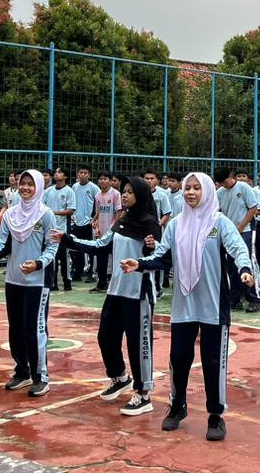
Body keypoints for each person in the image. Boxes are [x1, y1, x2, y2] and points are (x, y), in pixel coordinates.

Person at [122, 172, 255, 441]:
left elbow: (239, 249)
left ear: (207, 191)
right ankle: (177, 405)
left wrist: (244, 269)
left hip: (213, 306)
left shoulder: (219, 222)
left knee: (213, 361)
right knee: (179, 358)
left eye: (196, 188)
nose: (191, 193)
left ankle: (216, 415)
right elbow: (164, 256)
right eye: (187, 188)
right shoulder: (176, 225)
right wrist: (141, 263)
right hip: (183, 305)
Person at [58, 177, 159, 415]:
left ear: (141, 196)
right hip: (116, 290)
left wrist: (149, 249)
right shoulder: (121, 221)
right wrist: (68, 240)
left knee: (138, 344)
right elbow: (101, 245)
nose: (124, 195)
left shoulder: (150, 223)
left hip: (138, 293)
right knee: (106, 337)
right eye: (123, 191)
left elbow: (159, 258)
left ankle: (143, 393)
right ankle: (119, 376)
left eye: (130, 192)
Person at [0, 170, 61, 397]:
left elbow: (52, 246)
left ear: (38, 187)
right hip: (14, 280)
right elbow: (3, 244)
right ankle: (22, 371)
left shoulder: (46, 215)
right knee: (15, 328)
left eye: (30, 184)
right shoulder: (10, 215)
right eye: (22, 184)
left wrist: (38, 263)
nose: (26, 188)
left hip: (37, 282)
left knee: (34, 329)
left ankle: (40, 377)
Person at [214, 167, 260, 312]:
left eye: (225, 181)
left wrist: (241, 225)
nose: (224, 184)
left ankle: (253, 299)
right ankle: (235, 299)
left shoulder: (243, 187)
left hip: (244, 231)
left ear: (231, 176)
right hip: (228, 234)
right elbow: (218, 212)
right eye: (220, 183)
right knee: (231, 267)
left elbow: (253, 208)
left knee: (245, 264)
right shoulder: (220, 192)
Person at [44, 168, 76, 291]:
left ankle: (67, 281)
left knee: (64, 256)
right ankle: (53, 282)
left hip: (62, 229)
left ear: (65, 176)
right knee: (52, 256)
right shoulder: (49, 191)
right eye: (56, 172)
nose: (56, 174)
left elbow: (71, 210)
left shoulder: (69, 191)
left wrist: (54, 213)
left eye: (59, 172)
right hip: (50, 229)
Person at [91, 172, 124, 292]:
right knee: (101, 258)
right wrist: (97, 226)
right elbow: (98, 212)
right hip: (102, 233)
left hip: (113, 232)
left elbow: (118, 212)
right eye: (100, 179)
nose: (102, 181)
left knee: (115, 257)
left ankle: (115, 283)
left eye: (105, 179)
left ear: (110, 181)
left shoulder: (116, 194)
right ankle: (102, 283)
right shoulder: (98, 195)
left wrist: (113, 228)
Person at [70, 165, 101, 284]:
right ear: (78, 174)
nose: (82, 175)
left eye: (85, 173)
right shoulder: (74, 187)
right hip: (77, 222)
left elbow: (98, 204)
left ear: (89, 175)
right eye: (81, 172)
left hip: (89, 223)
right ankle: (78, 271)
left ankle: (92, 273)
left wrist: (94, 219)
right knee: (77, 248)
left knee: (91, 248)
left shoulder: (93, 188)